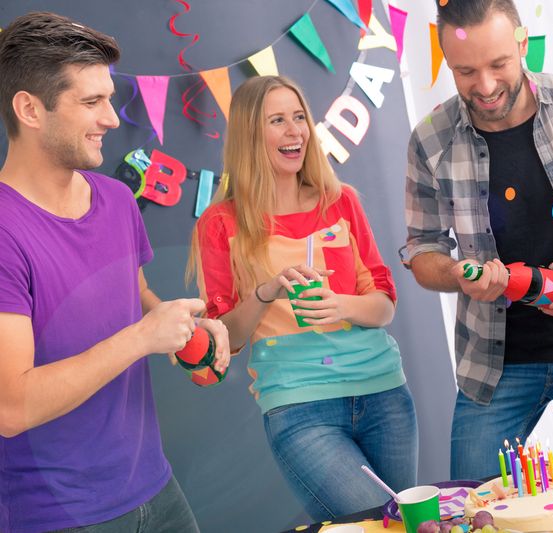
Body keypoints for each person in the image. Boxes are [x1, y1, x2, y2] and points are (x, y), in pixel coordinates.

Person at [0, 11, 231, 533]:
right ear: (30, 109)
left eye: (109, 98)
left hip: (154, 486)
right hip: (58, 515)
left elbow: (135, 292)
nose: (111, 118)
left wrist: (181, 329)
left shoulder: (117, 199)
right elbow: (11, 407)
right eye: (91, 102)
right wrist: (143, 337)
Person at [404, 0, 553, 479]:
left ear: (522, 44)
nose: (485, 86)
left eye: (498, 64)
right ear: (447, 61)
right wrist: (457, 274)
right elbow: (422, 249)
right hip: (493, 366)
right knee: (470, 505)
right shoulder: (430, 139)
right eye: (466, 71)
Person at [189, 75, 418, 521]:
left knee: (408, 525)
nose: (295, 131)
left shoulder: (341, 201)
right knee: (374, 524)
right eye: (277, 120)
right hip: (299, 406)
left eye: (299, 117)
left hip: (385, 394)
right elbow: (226, 338)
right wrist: (265, 291)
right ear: (250, 135)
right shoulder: (219, 224)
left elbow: (384, 304)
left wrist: (341, 305)